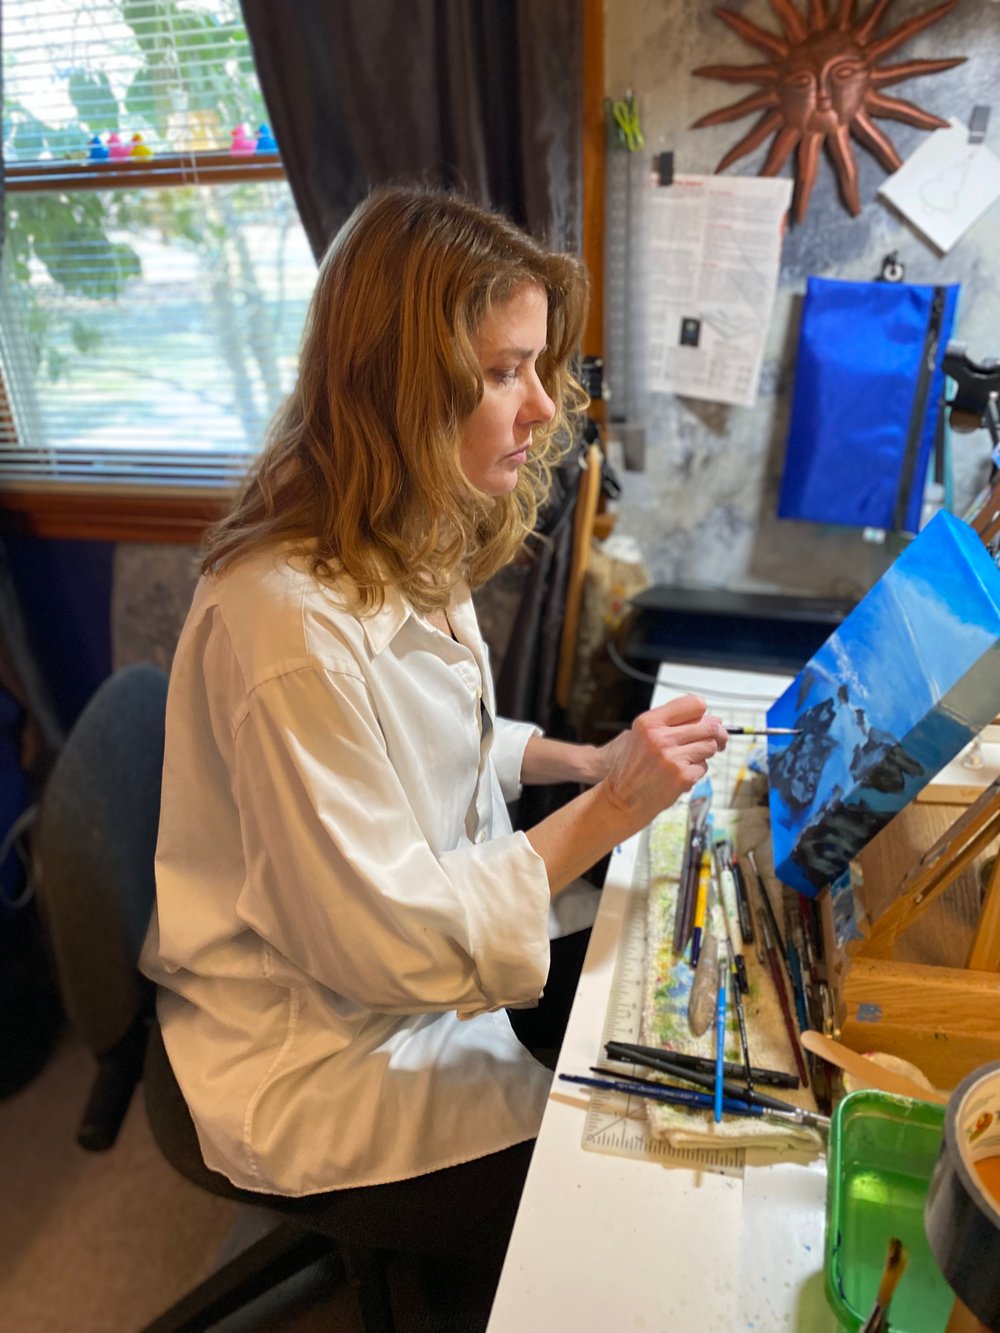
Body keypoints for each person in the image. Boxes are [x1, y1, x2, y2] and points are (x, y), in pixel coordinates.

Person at [140, 186, 727, 1274]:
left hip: (389, 966)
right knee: (622, 1207)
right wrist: (611, 807)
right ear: (400, 384)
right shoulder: (287, 624)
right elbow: (383, 938)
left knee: (633, 1008)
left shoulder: (396, 526)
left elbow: (435, 740)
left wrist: (578, 760)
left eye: (535, 366)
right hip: (315, 1050)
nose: (544, 407)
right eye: (504, 372)